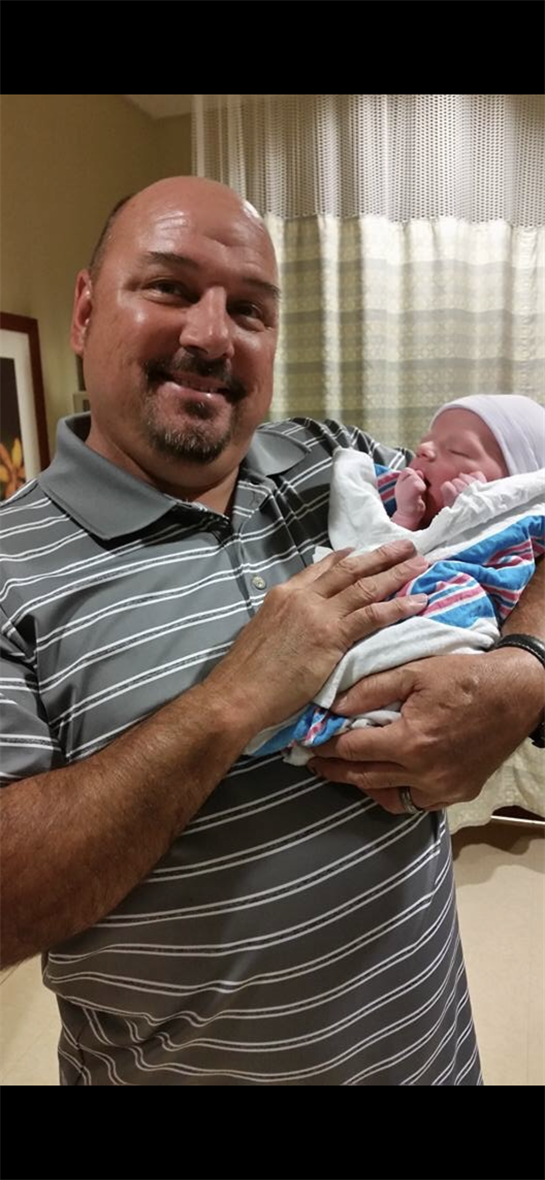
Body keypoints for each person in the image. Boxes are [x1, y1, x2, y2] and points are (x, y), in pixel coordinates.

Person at [0, 178, 543, 1087]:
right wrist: (236, 699)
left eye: (248, 308)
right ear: (86, 312)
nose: (212, 335)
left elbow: (523, 521)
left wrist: (524, 671)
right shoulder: (11, 570)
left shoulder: (336, 459)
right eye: (169, 287)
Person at [246, 395, 545, 761]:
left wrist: (472, 511)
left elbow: (490, 567)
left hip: (447, 618)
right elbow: (384, 547)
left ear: (515, 485)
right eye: (429, 439)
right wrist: (405, 512)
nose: (425, 448)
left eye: (458, 451)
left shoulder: (513, 522)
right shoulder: (391, 490)